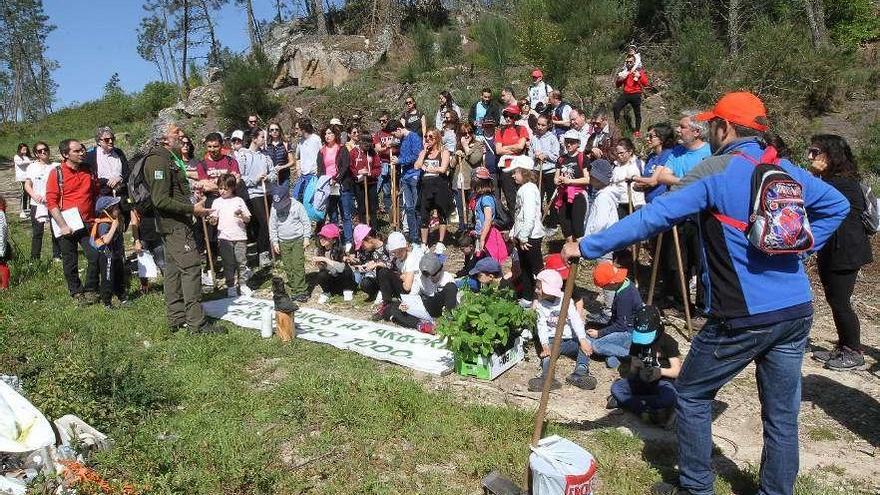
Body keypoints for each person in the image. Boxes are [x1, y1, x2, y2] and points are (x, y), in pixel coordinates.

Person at [562, 92, 849, 495]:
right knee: (783, 417)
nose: (710, 130)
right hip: (796, 309)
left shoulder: (717, 171)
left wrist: (587, 246)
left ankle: (696, 488)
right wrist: (802, 247)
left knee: (693, 394)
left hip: (742, 314)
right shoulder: (787, 170)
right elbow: (837, 205)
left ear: (725, 127)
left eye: (712, 124)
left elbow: (653, 217)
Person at [144, 122, 223, 334]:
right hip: (175, 226)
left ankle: (177, 318)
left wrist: (193, 193)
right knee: (191, 268)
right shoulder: (158, 161)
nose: (181, 134)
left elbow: (173, 192)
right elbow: (160, 200)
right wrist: (192, 209)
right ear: (164, 139)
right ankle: (197, 324)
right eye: (176, 132)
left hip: (176, 224)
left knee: (172, 271)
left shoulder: (170, 159)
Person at [807, 135, 873, 371]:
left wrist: (813, 175)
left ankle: (854, 351)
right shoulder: (834, 180)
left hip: (845, 251)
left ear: (830, 155)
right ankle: (844, 345)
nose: (810, 157)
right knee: (835, 299)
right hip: (834, 249)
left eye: (815, 152)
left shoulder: (843, 184)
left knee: (840, 301)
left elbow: (811, 198)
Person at [45, 139, 101, 304]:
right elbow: (51, 202)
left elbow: (96, 192)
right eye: (76, 151)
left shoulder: (88, 170)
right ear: (65, 154)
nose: (82, 153)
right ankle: (76, 292)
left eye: (82, 149)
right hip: (66, 224)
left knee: (95, 255)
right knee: (70, 261)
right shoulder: (57, 173)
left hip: (88, 222)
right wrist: (62, 225)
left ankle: (91, 289)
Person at [608, 305, 682, 425]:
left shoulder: (668, 342)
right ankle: (651, 411)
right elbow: (631, 374)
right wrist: (635, 366)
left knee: (670, 395)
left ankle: (629, 404)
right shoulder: (636, 342)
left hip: (662, 383)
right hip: (642, 381)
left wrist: (660, 372)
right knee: (617, 387)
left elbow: (677, 371)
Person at [528, 269, 595, 392]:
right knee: (548, 356)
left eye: (539, 288)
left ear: (549, 289)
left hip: (569, 339)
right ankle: (547, 378)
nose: (536, 290)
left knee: (585, 345)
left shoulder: (566, 300)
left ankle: (579, 373)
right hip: (552, 340)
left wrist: (582, 339)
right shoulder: (540, 305)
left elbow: (575, 320)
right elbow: (541, 326)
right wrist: (544, 345)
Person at [376, 252, 457, 333]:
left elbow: (452, 299)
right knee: (393, 308)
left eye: (433, 275)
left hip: (440, 305)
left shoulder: (447, 278)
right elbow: (413, 295)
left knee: (451, 287)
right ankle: (421, 325)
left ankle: (450, 322)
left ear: (440, 270)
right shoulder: (420, 278)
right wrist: (405, 304)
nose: (430, 278)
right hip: (426, 305)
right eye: (428, 276)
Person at [234, 129, 277, 268]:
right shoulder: (243, 156)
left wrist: (268, 177)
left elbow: (274, 173)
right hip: (252, 195)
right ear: (254, 138)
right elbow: (240, 177)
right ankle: (263, 253)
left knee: (266, 223)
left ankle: (265, 251)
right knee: (264, 223)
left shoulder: (265, 156)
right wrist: (255, 179)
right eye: (262, 136)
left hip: (267, 192)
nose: (265, 139)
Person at [586, 261, 641, 369]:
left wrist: (600, 333)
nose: (603, 289)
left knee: (596, 345)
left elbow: (621, 325)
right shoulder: (625, 283)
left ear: (612, 283)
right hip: (626, 327)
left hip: (629, 333)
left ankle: (634, 355)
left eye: (604, 286)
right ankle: (616, 357)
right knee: (611, 360)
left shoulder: (624, 297)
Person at [208, 173, 252, 297]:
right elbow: (213, 220)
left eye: (225, 189)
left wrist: (242, 215)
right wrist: (211, 220)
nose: (222, 191)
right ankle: (231, 286)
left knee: (241, 261)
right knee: (228, 263)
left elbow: (248, 219)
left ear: (232, 188)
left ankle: (243, 284)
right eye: (220, 188)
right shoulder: (216, 202)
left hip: (240, 236)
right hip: (224, 237)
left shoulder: (239, 200)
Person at [508, 158, 544, 305]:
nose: (513, 176)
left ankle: (542, 297)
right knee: (525, 267)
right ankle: (527, 297)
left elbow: (529, 215)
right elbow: (520, 215)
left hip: (530, 237)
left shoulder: (528, 190)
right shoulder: (525, 189)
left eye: (515, 172)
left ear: (524, 172)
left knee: (536, 268)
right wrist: (514, 232)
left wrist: (523, 236)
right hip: (524, 235)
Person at [269, 183, 311, 303]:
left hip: (297, 240)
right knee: (288, 267)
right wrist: (275, 242)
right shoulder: (274, 208)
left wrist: (306, 237)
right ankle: (294, 289)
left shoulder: (297, 206)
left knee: (298, 265)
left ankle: (301, 291)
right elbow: (272, 226)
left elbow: (306, 222)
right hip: (283, 241)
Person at [318, 125, 355, 250]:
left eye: (330, 133)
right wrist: (325, 181)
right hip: (328, 186)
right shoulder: (322, 151)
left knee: (345, 213)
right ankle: (335, 241)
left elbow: (345, 166)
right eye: (326, 134)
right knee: (332, 214)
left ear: (335, 135)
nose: (327, 136)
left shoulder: (342, 149)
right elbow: (320, 169)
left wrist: (336, 179)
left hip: (342, 184)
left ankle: (349, 240)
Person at [416, 128, 453, 253]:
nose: (428, 139)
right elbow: (417, 165)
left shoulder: (444, 152)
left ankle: (441, 242)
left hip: (440, 185)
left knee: (442, 213)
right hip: (426, 186)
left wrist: (428, 169)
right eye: (426, 137)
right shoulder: (424, 152)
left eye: (431, 137)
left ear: (437, 138)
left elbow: (443, 169)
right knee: (424, 214)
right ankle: (424, 243)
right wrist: (423, 154)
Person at [24, 141, 61, 260]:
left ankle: (57, 255)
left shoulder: (56, 166)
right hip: (37, 203)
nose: (43, 152)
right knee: (37, 232)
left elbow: (61, 184)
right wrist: (34, 196)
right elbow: (27, 185)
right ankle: (35, 258)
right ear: (36, 154)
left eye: (45, 149)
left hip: (53, 202)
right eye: (40, 151)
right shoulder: (32, 167)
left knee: (56, 229)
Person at [390, 122, 424, 245]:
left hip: (414, 175)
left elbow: (416, 155)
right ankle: (413, 236)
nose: (395, 136)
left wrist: (400, 160)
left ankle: (420, 235)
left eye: (395, 133)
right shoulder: (402, 140)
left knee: (416, 208)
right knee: (409, 208)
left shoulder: (414, 137)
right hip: (405, 176)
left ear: (398, 128)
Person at [90, 196, 127, 307]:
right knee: (108, 278)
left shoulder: (114, 220)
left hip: (116, 254)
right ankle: (107, 302)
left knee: (120, 276)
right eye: (116, 208)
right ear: (108, 210)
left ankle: (122, 296)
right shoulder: (104, 224)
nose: (119, 209)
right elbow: (106, 240)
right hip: (107, 256)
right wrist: (113, 227)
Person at [554, 130, 589, 242]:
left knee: (577, 225)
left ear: (578, 143)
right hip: (563, 195)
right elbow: (556, 177)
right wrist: (558, 181)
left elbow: (587, 179)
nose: (569, 144)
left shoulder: (582, 158)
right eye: (567, 142)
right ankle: (570, 248)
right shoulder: (561, 159)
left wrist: (570, 181)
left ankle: (581, 252)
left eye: (572, 142)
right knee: (565, 225)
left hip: (578, 195)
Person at [495, 104, 530, 210]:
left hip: (519, 167)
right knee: (510, 197)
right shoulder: (500, 131)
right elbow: (498, 150)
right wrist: (513, 148)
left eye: (511, 116)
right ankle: (514, 221)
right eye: (506, 115)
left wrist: (506, 148)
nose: (508, 118)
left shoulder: (522, 129)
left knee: (523, 194)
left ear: (515, 117)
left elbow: (520, 147)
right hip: (506, 167)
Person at [311, 223, 357, 301]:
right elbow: (323, 270)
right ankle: (326, 292)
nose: (322, 239)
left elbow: (341, 268)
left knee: (346, 269)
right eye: (321, 237)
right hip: (332, 280)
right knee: (321, 274)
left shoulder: (340, 250)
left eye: (325, 237)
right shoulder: (318, 251)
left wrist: (325, 259)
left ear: (334, 240)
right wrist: (320, 264)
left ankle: (347, 291)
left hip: (344, 280)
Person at [529, 114, 561, 228]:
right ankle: (538, 221)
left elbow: (556, 156)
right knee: (538, 197)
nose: (540, 127)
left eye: (543, 125)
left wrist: (545, 155)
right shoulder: (534, 138)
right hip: (538, 171)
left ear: (548, 126)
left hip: (550, 171)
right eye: (538, 124)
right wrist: (535, 156)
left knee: (551, 197)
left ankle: (553, 223)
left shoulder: (552, 138)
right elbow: (530, 155)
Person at [472, 167, 508, 263]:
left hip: (487, 234)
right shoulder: (479, 198)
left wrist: (482, 239)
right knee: (480, 260)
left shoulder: (486, 199)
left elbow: (488, 220)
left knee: (489, 261)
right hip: (480, 234)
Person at [633, 122, 676, 203]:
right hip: (650, 202)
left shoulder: (667, 154)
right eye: (647, 136)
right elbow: (647, 179)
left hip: (663, 202)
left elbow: (653, 181)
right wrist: (639, 186)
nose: (647, 139)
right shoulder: (651, 156)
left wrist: (634, 178)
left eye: (651, 137)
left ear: (662, 139)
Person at [453, 122, 483, 234]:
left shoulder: (478, 145)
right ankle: (463, 229)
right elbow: (451, 165)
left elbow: (475, 160)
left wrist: (466, 147)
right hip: (459, 182)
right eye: (463, 133)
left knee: (474, 207)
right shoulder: (457, 146)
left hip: (472, 182)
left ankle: (475, 228)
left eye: (469, 132)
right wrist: (456, 155)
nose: (467, 135)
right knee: (461, 209)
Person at [130, 202, 165, 295]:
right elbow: (134, 223)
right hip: (143, 237)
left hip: (157, 236)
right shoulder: (135, 205)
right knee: (143, 264)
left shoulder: (155, 201)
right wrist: (137, 241)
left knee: (162, 262)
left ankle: (169, 286)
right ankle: (144, 287)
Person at [86, 126, 129, 199]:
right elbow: (89, 178)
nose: (111, 141)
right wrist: (107, 181)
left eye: (112, 139)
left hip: (122, 193)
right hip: (103, 196)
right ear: (99, 141)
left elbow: (127, 171)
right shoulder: (91, 156)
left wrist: (120, 178)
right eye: (107, 140)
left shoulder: (119, 152)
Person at [612, 53, 649, 137]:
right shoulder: (624, 72)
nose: (629, 63)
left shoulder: (639, 71)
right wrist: (620, 79)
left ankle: (637, 131)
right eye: (627, 62)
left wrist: (639, 77)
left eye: (630, 62)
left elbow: (646, 84)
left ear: (634, 63)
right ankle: (618, 126)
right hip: (626, 94)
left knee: (637, 113)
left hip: (636, 94)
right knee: (616, 107)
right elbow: (617, 85)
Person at [350, 133, 381, 230]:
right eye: (365, 142)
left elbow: (378, 168)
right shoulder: (353, 152)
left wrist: (370, 173)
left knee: (373, 207)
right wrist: (358, 172)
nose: (367, 144)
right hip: (359, 184)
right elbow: (350, 167)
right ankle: (363, 230)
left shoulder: (373, 153)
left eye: (369, 142)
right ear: (360, 142)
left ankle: (374, 230)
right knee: (362, 207)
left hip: (371, 184)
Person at [610, 138, 645, 219]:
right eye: (618, 153)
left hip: (636, 203)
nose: (619, 155)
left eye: (622, 153)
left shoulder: (639, 164)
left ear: (630, 151)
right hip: (620, 203)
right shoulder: (615, 166)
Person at [372, 112, 395, 215]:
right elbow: (378, 149)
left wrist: (391, 146)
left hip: (394, 163)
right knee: (377, 187)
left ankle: (389, 211)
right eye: (380, 121)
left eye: (384, 121)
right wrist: (387, 147)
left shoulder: (394, 133)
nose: (382, 123)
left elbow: (398, 147)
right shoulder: (378, 134)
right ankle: (374, 208)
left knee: (389, 190)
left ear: (388, 120)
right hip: (383, 163)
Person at [293, 118, 321, 200]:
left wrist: (318, 170)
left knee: (308, 200)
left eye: (297, 128)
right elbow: (297, 157)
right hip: (302, 176)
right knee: (296, 197)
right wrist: (298, 169)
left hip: (313, 176)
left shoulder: (316, 139)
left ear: (303, 129)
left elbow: (322, 155)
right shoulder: (300, 142)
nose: (296, 131)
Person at [265, 122, 296, 187]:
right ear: (269, 132)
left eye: (277, 129)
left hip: (284, 176)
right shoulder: (266, 145)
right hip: (271, 177)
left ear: (280, 131)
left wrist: (282, 167)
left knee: (283, 196)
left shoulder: (285, 144)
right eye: (272, 130)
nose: (274, 131)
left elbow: (292, 162)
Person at [13, 143, 32, 220]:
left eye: (26, 149)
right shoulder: (16, 156)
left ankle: (30, 210)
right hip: (21, 178)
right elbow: (20, 163)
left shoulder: (27, 157)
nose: (25, 150)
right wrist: (30, 162)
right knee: (23, 194)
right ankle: (23, 211)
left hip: (28, 178)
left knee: (30, 194)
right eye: (23, 149)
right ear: (20, 149)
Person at [0, 195, 9, 289]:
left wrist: (1, 249)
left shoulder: (0, 215)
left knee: (2, 266)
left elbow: (2, 232)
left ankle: (4, 286)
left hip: (0, 246)